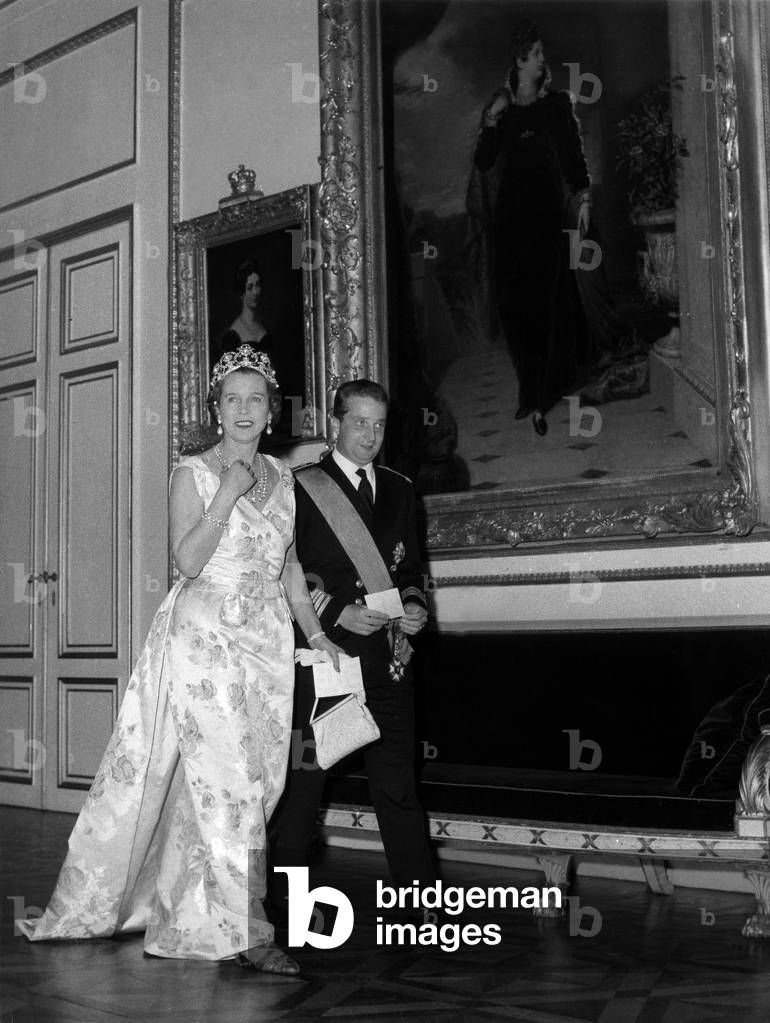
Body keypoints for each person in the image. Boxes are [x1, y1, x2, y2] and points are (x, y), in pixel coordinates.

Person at [19, 346, 341, 974]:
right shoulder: (191, 471)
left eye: (256, 399)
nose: (244, 410)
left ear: (271, 411)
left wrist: (315, 631)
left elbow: (292, 566)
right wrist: (226, 494)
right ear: (216, 410)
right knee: (232, 788)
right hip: (206, 639)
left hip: (268, 644)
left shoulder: (284, 478)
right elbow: (187, 562)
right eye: (232, 399)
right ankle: (250, 932)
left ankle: (193, 910)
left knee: (262, 785)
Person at [269, 379, 436, 921]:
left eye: (379, 424)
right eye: (359, 422)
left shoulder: (400, 489)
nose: (369, 435)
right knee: (303, 793)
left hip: (389, 660)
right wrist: (337, 610)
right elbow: (282, 572)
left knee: (399, 788)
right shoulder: (299, 488)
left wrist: (413, 606)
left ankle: (424, 911)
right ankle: (287, 913)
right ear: (336, 423)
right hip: (327, 660)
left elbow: (410, 571)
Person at [471, 21, 595, 437]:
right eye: (537, 53)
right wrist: (490, 121)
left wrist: (583, 197)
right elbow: (485, 162)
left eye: (543, 53)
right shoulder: (502, 111)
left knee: (547, 303)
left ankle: (544, 393)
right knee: (514, 306)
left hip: (545, 218)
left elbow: (573, 157)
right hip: (510, 222)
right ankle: (529, 388)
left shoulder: (556, 106)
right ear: (521, 60)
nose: (544, 59)